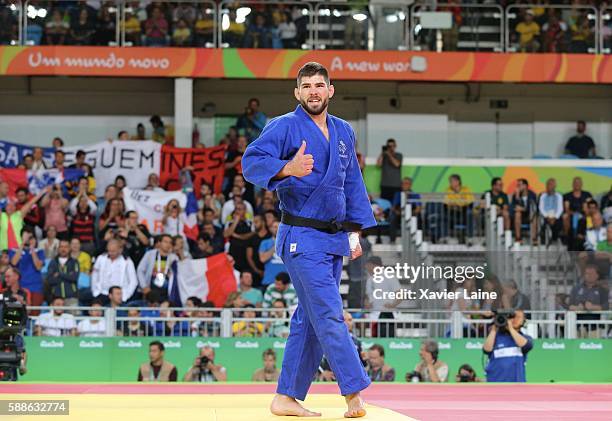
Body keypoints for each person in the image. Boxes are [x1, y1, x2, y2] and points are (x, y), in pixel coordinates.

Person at [242, 62, 376, 418]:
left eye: (320, 85)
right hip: (300, 236)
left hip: (332, 240)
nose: (314, 91)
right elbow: (251, 161)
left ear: (330, 90)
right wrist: (287, 168)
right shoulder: (284, 126)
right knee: (331, 316)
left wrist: (354, 229)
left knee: (309, 320)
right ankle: (354, 394)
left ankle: (286, 396)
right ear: (297, 93)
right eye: (307, 86)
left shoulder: (344, 130)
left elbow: (352, 185)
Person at [483, 309, 533, 382]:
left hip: (516, 383)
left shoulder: (525, 338)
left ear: (524, 321)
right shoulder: (496, 337)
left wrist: (510, 328)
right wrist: (494, 328)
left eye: (518, 317)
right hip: (495, 382)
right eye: (512, 317)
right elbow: (487, 349)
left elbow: (526, 345)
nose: (514, 319)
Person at [318, 311, 365, 382]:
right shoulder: (327, 339)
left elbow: (361, 363)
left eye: (350, 320)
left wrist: (365, 360)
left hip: (350, 379)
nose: (347, 322)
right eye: (344, 320)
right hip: (331, 378)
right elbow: (317, 357)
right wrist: (322, 372)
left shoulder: (357, 342)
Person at [91, 239, 138, 303]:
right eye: (109, 251)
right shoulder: (101, 258)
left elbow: (133, 281)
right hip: (102, 293)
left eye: (113, 251)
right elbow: (94, 276)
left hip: (120, 296)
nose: (110, 253)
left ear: (120, 250)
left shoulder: (127, 261)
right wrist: (95, 292)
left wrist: (126, 296)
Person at [568, 264, 609, 338]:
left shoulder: (602, 290)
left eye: (592, 274)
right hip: (577, 326)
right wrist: (577, 308)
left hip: (594, 327)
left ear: (597, 275)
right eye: (587, 273)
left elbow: (606, 306)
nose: (589, 275)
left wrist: (593, 307)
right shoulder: (576, 288)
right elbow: (569, 305)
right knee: (575, 348)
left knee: (594, 348)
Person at [137, 234, 177, 301]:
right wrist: (144, 286)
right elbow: (140, 270)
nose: (168, 244)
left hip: (166, 292)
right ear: (159, 243)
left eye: (170, 242)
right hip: (150, 290)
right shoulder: (150, 254)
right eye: (165, 242)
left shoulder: (174, 258)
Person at [45, 239, 79, 306]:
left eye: (66, 247)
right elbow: (50, 280)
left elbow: (74, 278)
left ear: (69, 248)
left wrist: (59, 274)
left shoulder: (74, 262)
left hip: (71, 297)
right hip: (56, 298)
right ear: (58, 249)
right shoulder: (53, 262)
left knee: (72, 316)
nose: (63, 249)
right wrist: (67, 276)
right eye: (61, 247)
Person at [258, 220, 285, 287]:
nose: (277, 229)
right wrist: (276, 245)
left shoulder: (288, 242)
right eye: (275, 227)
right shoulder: (265, 243)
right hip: (270, 280)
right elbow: (262, 259)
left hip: (286, 282)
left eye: (279, 227)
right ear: (270, 229)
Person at [376, 138, 403, 203]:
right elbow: (378, 165)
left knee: (396, 204)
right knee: (385, 204)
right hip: (385, 185)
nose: (391, 148)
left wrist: (389, 155)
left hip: (396, 185)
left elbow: (397, 164)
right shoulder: (384, 156)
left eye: (392, 146)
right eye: (389, 146)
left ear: (395, 146)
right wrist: (382, 153)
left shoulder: (399, 155)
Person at [538, 178, 563, 242]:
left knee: (558, 223)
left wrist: (555, 217)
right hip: (546, 216)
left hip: (555, 216)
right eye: (548, 184)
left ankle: (554, 238)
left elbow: (560, 209)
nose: (549, 186)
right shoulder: (543, 196)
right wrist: (547, 217)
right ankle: (545, 238)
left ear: (555, 186)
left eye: (551, 185)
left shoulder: (559, 196)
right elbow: (541, 208)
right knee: (544, 223)